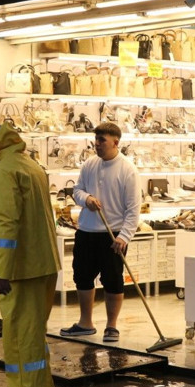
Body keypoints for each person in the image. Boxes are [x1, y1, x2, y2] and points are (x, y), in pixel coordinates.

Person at [0, 123, 61, 387]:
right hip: (44, 263)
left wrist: (1, 270)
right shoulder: (31, 165)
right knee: (35, 330)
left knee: (18, 335)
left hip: (22, 269)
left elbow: (7, 223)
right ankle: (41, 385)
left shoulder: (3, 172)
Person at [60, 122, 140, 342]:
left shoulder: (128, 170)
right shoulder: (89, 164)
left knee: (113, 280)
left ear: (115, 142)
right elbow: (77, 190)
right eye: (96, 140)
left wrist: (124, 236)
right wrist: (86, 199)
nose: (97, 144)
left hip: (113, 235)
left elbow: (133, 210)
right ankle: (85, 322)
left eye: (101, 140)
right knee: (82, 277)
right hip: (86, 231)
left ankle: (111, 326)